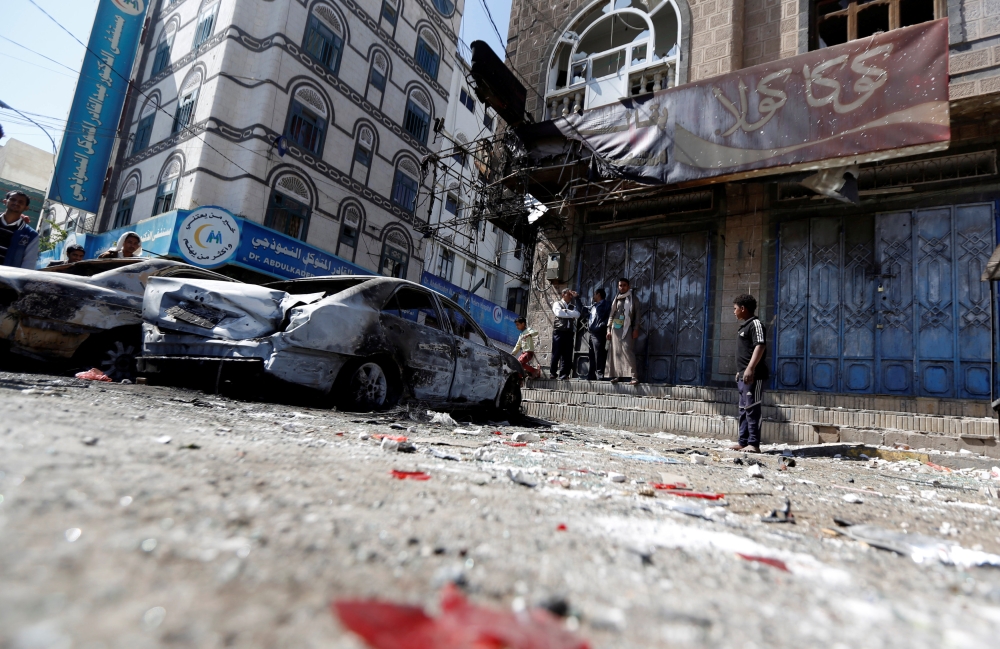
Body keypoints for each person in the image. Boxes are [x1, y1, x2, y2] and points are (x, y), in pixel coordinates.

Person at [731, 294, 768, 453]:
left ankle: (754, 443)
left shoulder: (756, 324)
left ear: (743, 308)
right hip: (743, 376)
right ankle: (743, 441)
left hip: (754, 376)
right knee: (743, 409)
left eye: (735, 308)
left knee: (752, 407)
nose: (734, 312)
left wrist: (750, 368)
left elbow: (760, 346)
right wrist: (740, 371)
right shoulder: (743, 326)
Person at [606, 278, 640, 385]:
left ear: (628, 286)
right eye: (620, 285)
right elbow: (611, 315)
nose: (622, 287)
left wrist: (635, 329)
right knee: (616, 352)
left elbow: (637, 316)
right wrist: (608, 330)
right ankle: (617, 375)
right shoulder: (616, 299)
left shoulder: (634, 299)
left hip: (627, 329)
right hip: (615, 329)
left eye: (624, 285)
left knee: (627, 351)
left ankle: (634, 377)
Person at [0, 190, 40, 269]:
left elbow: (29, 263)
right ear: (5, 201)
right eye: (13, 199)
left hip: (5, 279)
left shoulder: (31, 235)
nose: (16, 203)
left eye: (21, 202)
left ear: (26, 208)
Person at [550, 288, 579, 380]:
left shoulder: (572, 306)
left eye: (571, 295)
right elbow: (558, 313)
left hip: (569, 332)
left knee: (567, 354)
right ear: (563, 295)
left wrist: (566, 312)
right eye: (568, 294)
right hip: (559, 331)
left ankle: (564, 374)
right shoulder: (557, 304)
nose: (570, 296)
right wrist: (571, 314)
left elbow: (577, 314)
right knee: (556, 353)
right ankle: (553, 373)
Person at [586, 288, 610, 380]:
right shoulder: (593, 306)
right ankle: (591, 375)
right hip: (592, 333)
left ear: (598, 294)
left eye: (594, 294)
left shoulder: (606, 304)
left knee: (599, 355)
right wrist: (577, 298)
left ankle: (600, 376)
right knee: (592, 355)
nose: (593, 296)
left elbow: (609, 317)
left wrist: (600, 326)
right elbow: (584, 311)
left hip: (599, 333)